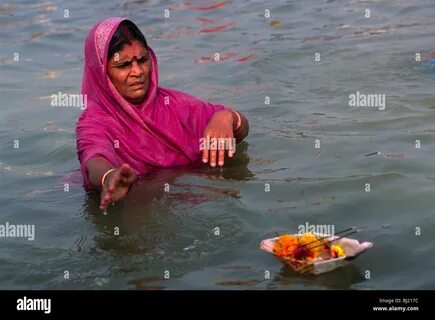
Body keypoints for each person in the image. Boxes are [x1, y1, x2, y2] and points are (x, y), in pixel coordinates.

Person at [76, 18, 249, 211]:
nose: (138, 71)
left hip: (188, 204)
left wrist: (227, 117)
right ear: (101, 72)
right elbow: (93, 158)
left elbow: (240, 132)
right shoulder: (95, 121)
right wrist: (108, 177)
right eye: (124, 65)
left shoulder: (175, 105)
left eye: (142, 60)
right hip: (132, 210)